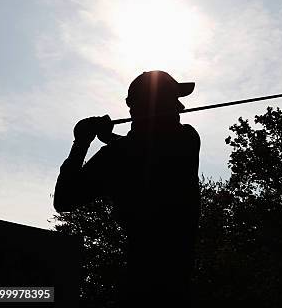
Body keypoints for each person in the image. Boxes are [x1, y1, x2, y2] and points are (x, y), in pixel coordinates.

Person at [53, 70, 201, 307]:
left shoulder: (115, 158)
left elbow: (64, 199)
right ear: (156, 104)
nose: (180, 107)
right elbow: (147, 148)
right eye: (174, 99)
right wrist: (111, 139)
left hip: (138, 283)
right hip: (177, 286)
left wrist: (81, 143)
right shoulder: (188, 139)